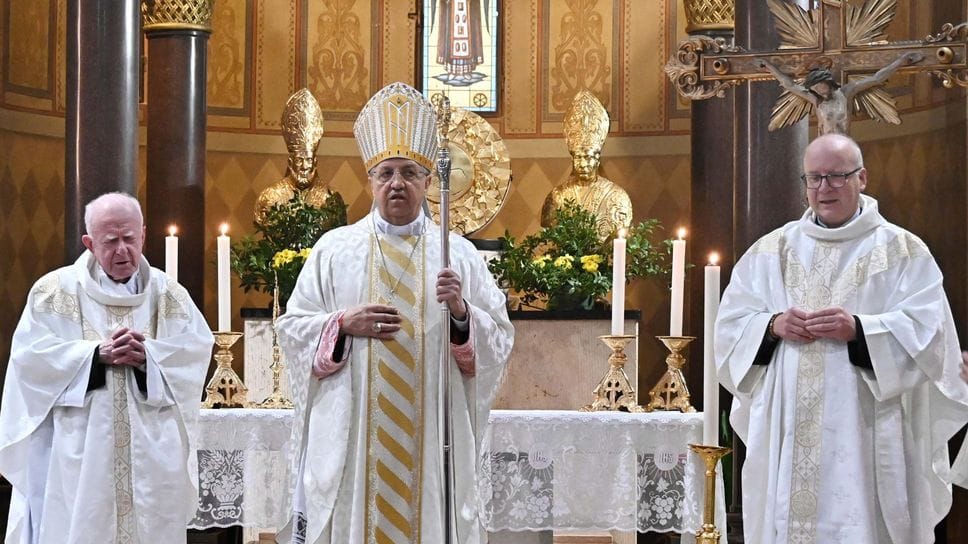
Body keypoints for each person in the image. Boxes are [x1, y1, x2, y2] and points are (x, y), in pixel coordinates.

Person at [276, 82, 514, 544]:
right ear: (370, 181)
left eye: (409, 172)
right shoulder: (334, 250)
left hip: (432, 438)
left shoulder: (458, 255)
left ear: (428, 181)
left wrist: (462, 314)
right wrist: (341, 324)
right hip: (357, 440)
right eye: (385, 173)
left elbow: (499, 341)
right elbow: (292, 330)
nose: (397, 183)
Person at [715, 134, 968, 543]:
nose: (823, 188)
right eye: (813, 178)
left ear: (862, 177)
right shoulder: (771, 250)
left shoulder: (903, 251)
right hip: (788, 428)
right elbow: (730, 328)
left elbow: (931, 335)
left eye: (836, 176)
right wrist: (773, 325)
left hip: (866, 429)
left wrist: (860, 330)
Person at [0, 192, 214, 543]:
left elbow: (194, 353)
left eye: (129, 238)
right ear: (89, 242)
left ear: (143, 235)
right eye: (110, 241)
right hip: (80, 448)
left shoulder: (170, 295)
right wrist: (94, 355)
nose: (122, 250)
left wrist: (149, 358)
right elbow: (29, 359)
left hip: (152, 450)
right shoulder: (53, 292)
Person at [758, 51, 923, 135]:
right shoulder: (816, 100)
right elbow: (790, 85)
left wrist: (901, 62)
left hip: (843, 144)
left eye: (819, 86)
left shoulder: (846, 92)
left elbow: (876, 78)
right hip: (823, 146)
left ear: (827, 81)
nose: (817, 90)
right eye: (814, 89)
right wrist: (770, 68)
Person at [540, 89, 632, 239]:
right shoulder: (557, 196)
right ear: (572, 159)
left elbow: (621, 238)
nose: (583, 164)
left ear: (597, 160)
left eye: (588, 157)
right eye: (578, 157)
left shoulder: (617, 196)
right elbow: (547, 237)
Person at [254, 88, 340, 226]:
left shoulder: (330, 198)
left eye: (308, 160)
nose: (304, 166)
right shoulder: (270, 197)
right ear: (290, 162)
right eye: (299, 160)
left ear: (315, 162)